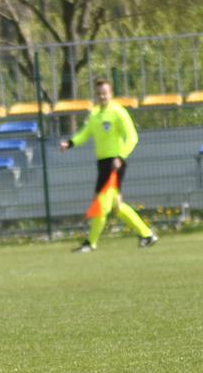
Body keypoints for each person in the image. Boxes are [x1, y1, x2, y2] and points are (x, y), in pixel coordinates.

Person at [57, 76, 157, 252]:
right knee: (116, 207)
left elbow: (132, 137)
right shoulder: (95, 114)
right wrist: (70, 143)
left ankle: (90, 243)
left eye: (105, 93)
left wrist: (121, 156)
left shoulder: (118, 112)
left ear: (111, 93)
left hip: (115, 164)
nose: (102, 96)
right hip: (102, 164)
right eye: (99, 94)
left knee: (102, 205)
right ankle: (147, 234)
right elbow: (84, 133)